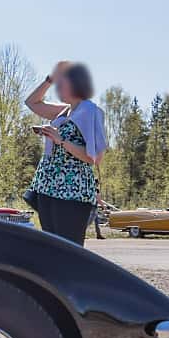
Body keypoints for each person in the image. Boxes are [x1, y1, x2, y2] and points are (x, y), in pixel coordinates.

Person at [24, 60, 107, 245]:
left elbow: (95, 157)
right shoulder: (64, 111)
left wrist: (60, 140)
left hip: (72, 192)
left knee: (69, 248)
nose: (58, 88)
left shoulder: (90, 111)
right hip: (49, 188)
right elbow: (31, 102)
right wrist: (49, 79)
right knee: (52, 247)